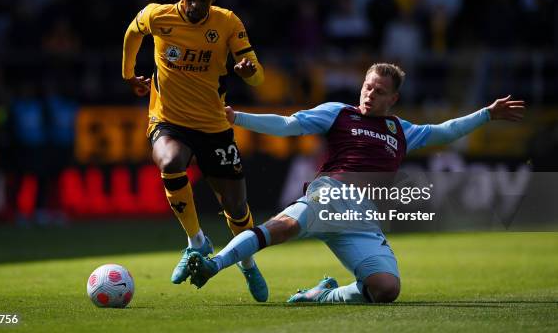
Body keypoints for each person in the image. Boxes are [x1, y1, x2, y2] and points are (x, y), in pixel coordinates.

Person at [187, 63, 525, 303]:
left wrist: (487, 114)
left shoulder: (401, 130)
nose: (369, 95)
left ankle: (322, 295)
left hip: (362, 220)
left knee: (386, 289)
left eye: (379, 92)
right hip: (330, 194)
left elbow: (445, 131)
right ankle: (214, 264)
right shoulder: (339, 113)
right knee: (284, 226)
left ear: (393, 99)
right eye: (367, 87)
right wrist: (238, 118)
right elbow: (289, 124)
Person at [121, 0, 267, 301]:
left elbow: (257, 74)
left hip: (214, 126)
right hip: (168, 119)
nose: (196, 5)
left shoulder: (227, 22)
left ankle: (247, 265)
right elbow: (132, 32)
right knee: (170, 162)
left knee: (237, 210)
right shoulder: (158, 16)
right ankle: (196, 243)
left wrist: (249, 72)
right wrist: (130, 75)